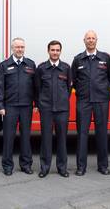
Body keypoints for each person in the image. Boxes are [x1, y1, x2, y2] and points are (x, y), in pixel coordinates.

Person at [71, 30, 110, 176]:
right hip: (84, 101)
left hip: (101, 100)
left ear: (96, 40)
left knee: (102, 133)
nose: (90, 40)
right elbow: (74, 80)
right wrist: (83, 92)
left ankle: (103, 166)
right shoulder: (78, 59)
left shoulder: (105, 58)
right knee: (82, 134)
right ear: (84, 40)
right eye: (88, 38)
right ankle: (81, 167)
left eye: (93, 38)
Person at [0, 38, 36, 176]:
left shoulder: (30, 64)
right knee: (8, 137)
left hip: (26, 106)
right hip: (10, 107)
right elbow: (0, 87)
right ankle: (7, 165)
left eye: (22, 47)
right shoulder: (4, 65)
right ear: (12, 48)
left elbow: (35, 86)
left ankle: (26, 164)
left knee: (26, 137)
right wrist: (0, 105)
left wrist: (35, 104)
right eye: (17, 47)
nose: (20, 49)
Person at [34, 40, 72, 178]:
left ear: (60, 51)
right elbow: (37, 88)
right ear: (48, 51)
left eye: (57, 50)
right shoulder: (41, 68)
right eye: (52, 50)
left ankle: (62, 168)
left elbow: (69, 88)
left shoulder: (66, 68)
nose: (55, 52)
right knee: (46, 139)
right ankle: (45, 167)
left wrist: (62, 101)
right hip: (46, 110)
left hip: (62, 109)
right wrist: (40, 105)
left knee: (62, 139)